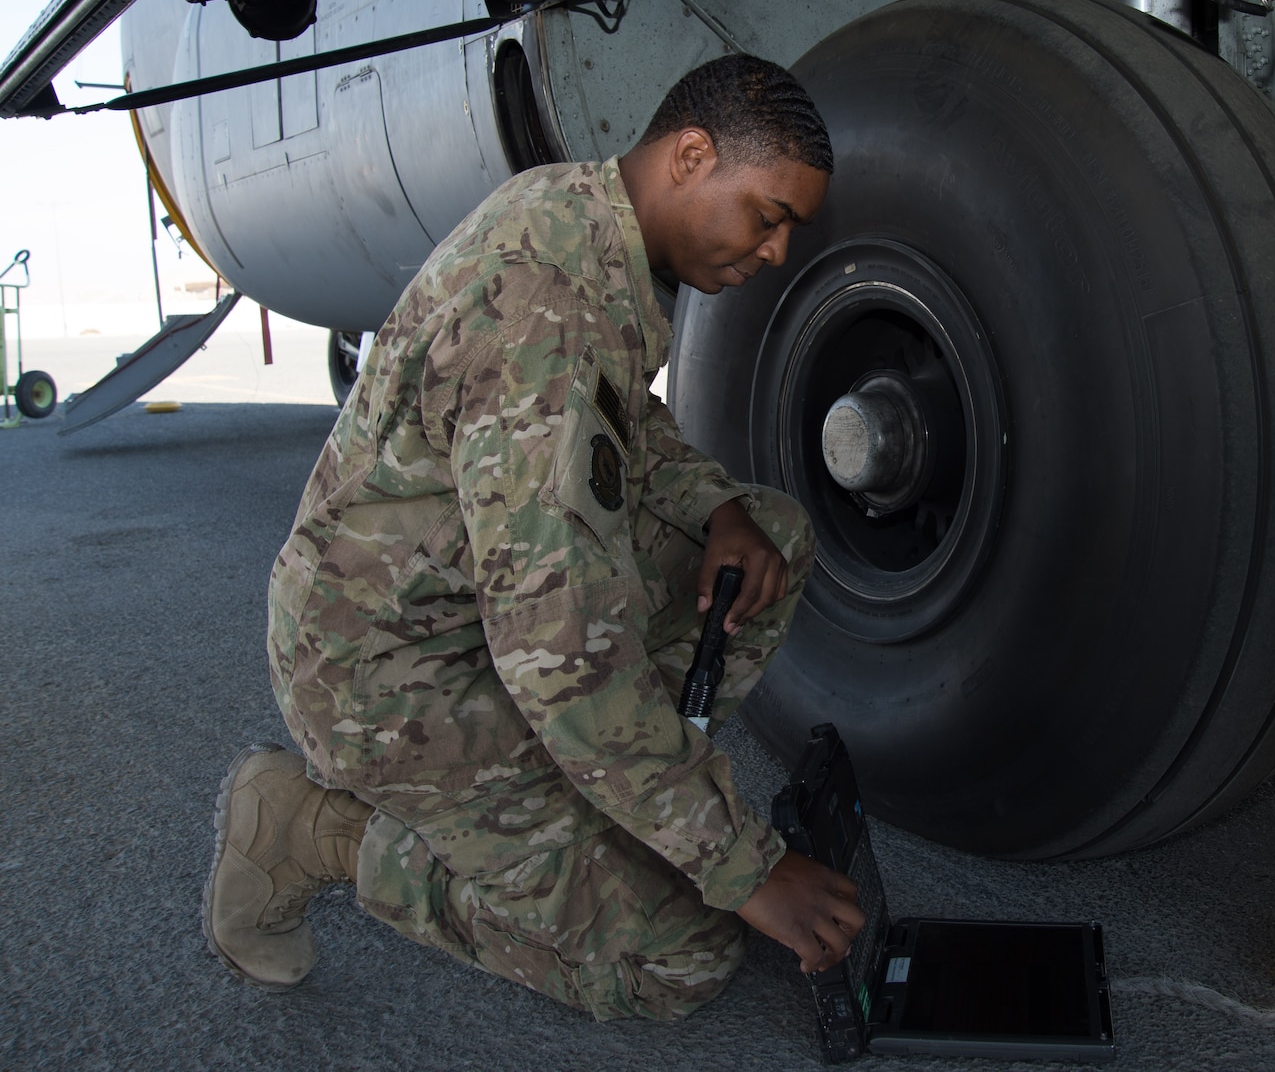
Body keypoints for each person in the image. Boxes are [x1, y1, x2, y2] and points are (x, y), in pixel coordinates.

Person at [202, 54, 865, 1020]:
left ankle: (630, 801)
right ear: (691, 155)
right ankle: (313, 832)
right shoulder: (542, 309)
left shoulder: (585, 222)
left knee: (767, 535)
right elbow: (559, 659)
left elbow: (626, 426)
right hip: (390, 679)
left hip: (470, 613)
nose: (773, 252)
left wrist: (717, 506)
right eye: (768, 217)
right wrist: (743, 871)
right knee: (685, 952)